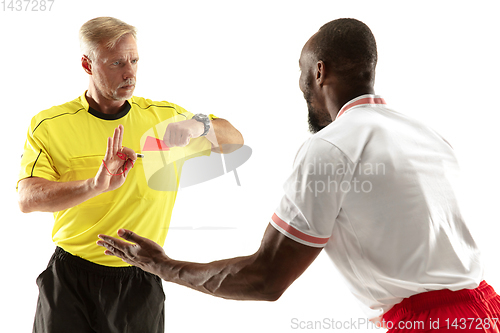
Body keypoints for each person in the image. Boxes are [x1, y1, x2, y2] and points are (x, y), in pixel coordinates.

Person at [97, 18, 500, 333]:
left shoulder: (330, 146)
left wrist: (164, 266)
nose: (301, 86)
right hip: (488, 312)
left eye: (302, 73)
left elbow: (266, 278)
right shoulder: (427, 134)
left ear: (319, 72)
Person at [17, 17, 243, 333]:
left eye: (134, 60)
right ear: (87, 63)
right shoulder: (50, 124)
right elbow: (27, 199)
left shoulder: (163, 118)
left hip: (141, 277)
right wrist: (93, 186)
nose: (130, 72)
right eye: (117, 63)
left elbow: (234, 140)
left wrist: (197, 126)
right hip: (70, 279)